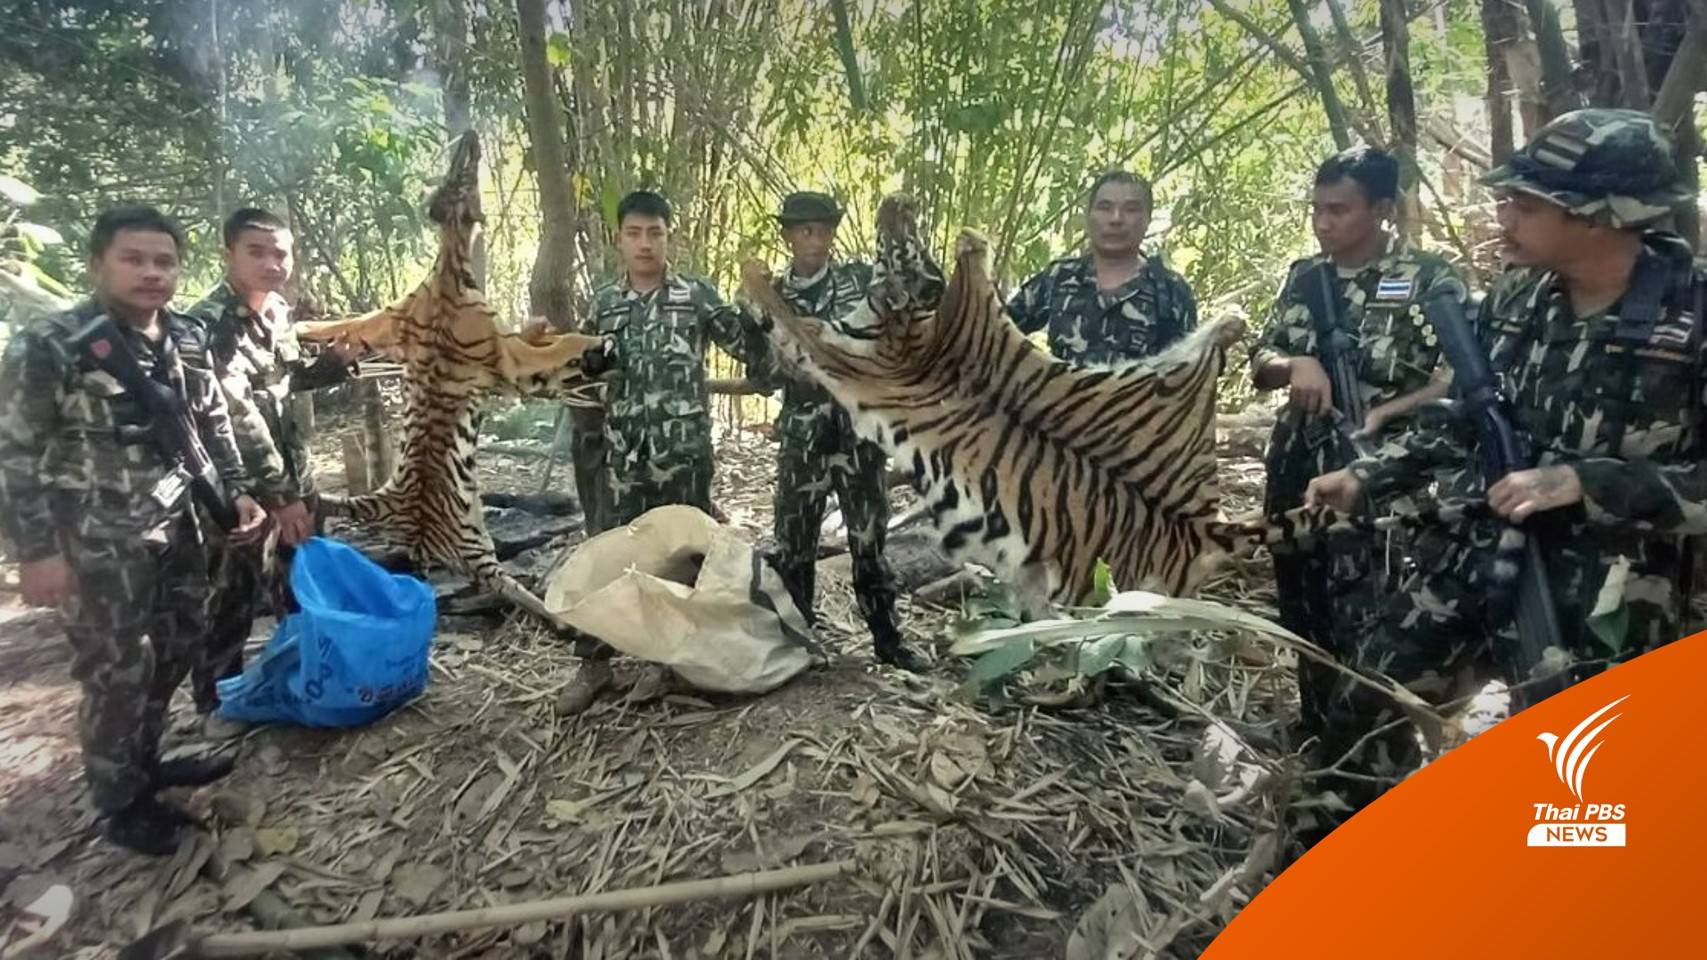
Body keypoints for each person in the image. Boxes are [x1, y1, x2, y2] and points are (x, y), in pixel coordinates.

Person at [1306, 108, 1703, 803]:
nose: (1505, 216)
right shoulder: (1518, 298)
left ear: (1597, 216)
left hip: (1608, 602)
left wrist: (1586, 482)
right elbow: (1469, 417)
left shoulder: (1692, 312)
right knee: (1363, 715)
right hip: (1470, 557)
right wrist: (1368, 474)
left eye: (1525, 205)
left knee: (1577, 798)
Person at [0, 207, 268, 854]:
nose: (152, 273)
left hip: (179, 528)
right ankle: (121, 803)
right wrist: (35, 552)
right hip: (94, 542)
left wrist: (235, 497)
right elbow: (14, 451)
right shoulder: (51, 344)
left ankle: (146, 761)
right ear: (98, 265)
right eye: (134, 259)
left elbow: (212, 426)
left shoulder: (187, 337)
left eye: (165, 261)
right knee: (115, 669)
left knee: (179, 644)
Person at [1247, 146, 1468, 745]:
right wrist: (1296, 363)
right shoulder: (1306, 277)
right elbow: (1259, 358)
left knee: (1371, 611)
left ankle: (1370, 748)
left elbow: (1460, 376)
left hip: (1386, 474)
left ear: (1383, 209)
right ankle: (1315, 730)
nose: (1323, 223)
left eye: (1338, 210)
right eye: (1316, 209)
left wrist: (1385, 413)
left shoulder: (1429, 278)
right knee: (1301, 600)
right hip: (1299, 462)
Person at [184, 207, 357, 728]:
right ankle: (216, 702)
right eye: (256, 251)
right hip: (237, 486)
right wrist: (279, 497)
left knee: (300, 580)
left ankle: (304, 673)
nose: (271, 262)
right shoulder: (206, 325)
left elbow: (284, 380)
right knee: (232, 594)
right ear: (228, 254)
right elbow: (234, 415)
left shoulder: (278, 311)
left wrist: (334, 364)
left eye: (280, 251)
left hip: (292, 471)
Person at [761, 191, 924, 670]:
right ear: (788, 236)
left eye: (823, 230)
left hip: (860, 435)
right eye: (804, 230)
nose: (815, 240)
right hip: (803, 438)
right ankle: (798, 642)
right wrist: (789, 361)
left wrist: (900, 233)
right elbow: (760, 368)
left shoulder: (858, 280)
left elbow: (900, 309)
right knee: (794, 545)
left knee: (869, 542)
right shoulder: (772, 295)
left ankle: (887, 642)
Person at [580, 190, 772, 529]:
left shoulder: (695, 295)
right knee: (626, 565)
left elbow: (746, 347)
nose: (645, 244)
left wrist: (758, 305)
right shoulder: (604, 303)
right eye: (634, 233)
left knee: (688, 561)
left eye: (655, 233)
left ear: (671, 237)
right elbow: (580, 370)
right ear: (619, 239)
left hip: (685, 461)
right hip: (625, 465)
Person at [1006, 169, 1198, 364]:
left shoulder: (1171, 290)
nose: (1116, 219)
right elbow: (994, 333)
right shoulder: (1059, 277)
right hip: (1063, 393)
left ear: (1148, 219)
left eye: (1130, 209)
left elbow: (1192, 373)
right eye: (1105, 208)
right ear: (1089, 216)